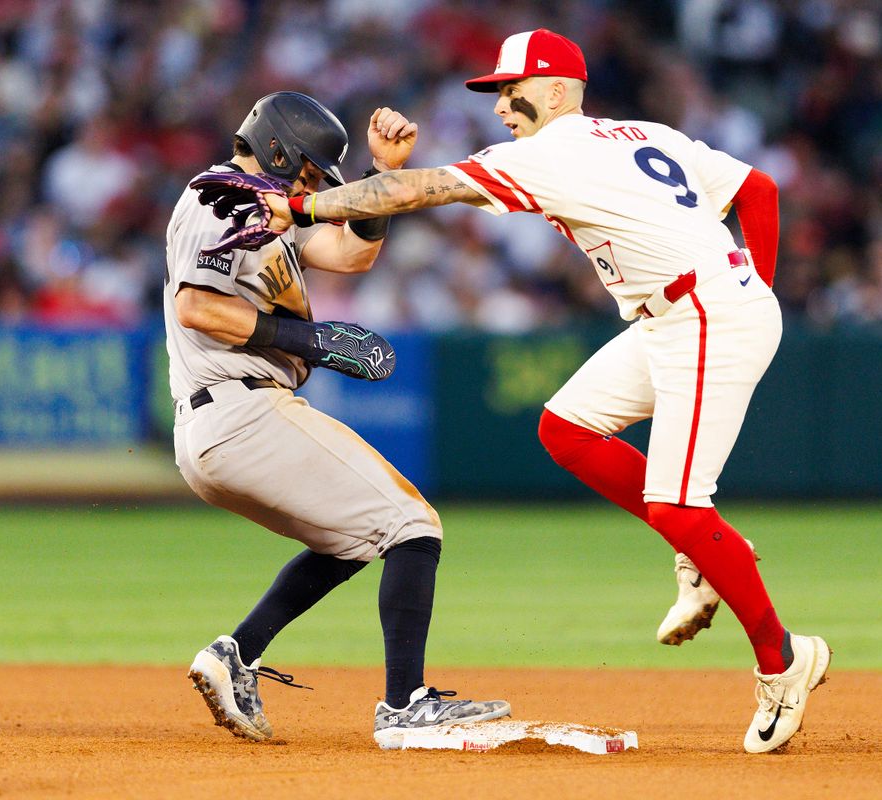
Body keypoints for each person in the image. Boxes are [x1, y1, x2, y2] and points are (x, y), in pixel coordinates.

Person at [193, 30, 830, 754]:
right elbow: (758, 190)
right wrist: (757, 287)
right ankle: (705, 551)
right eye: (496, 91)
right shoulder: (639, 133)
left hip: (704, 313)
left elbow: (414, 189)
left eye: (511, 88)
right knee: (567, 429)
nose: (501, 104)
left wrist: (304, 210)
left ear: (557, 89)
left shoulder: (553, 150)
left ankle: (783, 659)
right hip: (684, 313)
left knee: (678, 503)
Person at [165, 91, 509, 749]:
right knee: (413, 523)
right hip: (240, 408)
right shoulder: (222, 197)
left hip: (223, 419)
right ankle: (406, 705)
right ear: (276, 149)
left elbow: (353, 254)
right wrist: (311, 341)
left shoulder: (264, 207)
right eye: (309, 171)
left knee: (353, 539)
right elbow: (196, 307)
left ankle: (236, 653)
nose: (313, 185)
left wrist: (383, 177)